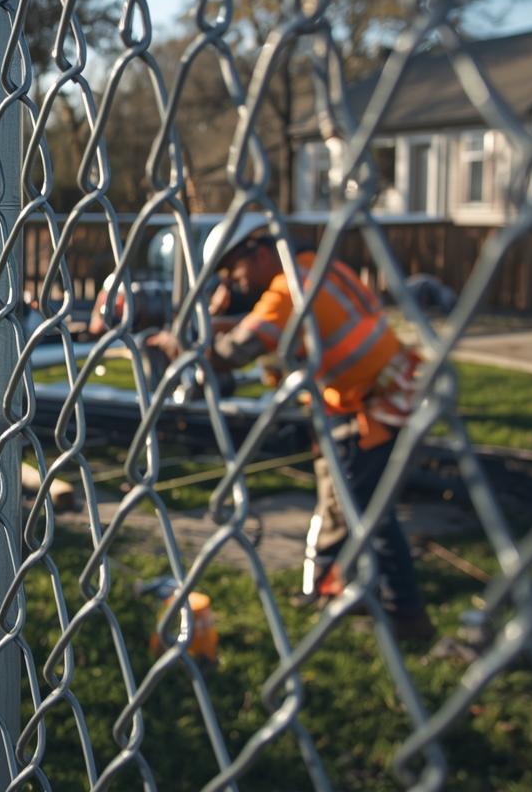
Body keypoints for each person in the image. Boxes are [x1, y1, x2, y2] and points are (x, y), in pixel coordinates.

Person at [147, 213, 434, 641]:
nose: (233, 281)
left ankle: (406, 614)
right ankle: (343, 584)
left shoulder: (286, 293)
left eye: (233, 270)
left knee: (368, 512)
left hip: (373, 407)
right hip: (386, 391)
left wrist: (180, 348)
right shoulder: (315, 266)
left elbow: (234, 352)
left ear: (259, 253)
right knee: (346, 500)